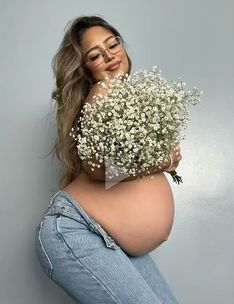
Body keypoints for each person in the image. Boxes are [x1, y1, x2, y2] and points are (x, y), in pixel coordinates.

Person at [35, 15, 182, 303]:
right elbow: (94, 168)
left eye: (112, 44)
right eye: (94, 55)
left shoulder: (124, 98)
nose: (109, 55)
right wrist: (159, 162)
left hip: (106, 236)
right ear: (86, 69)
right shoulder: (101, 94)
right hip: (76, 230)